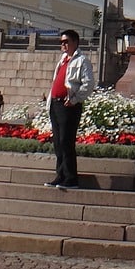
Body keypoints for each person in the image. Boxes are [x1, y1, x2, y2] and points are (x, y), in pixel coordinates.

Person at [45, 29, 95, 190]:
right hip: (56, 104)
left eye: (66, 42)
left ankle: (71, 178)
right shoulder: (62, 60)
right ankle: (60, 175)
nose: (63, 45)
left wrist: (75, 99)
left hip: (69, 106)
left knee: (66, 142)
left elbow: (88, 84)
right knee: (58, 143)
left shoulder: (82, 61)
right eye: (61, 42)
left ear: (75, 42)